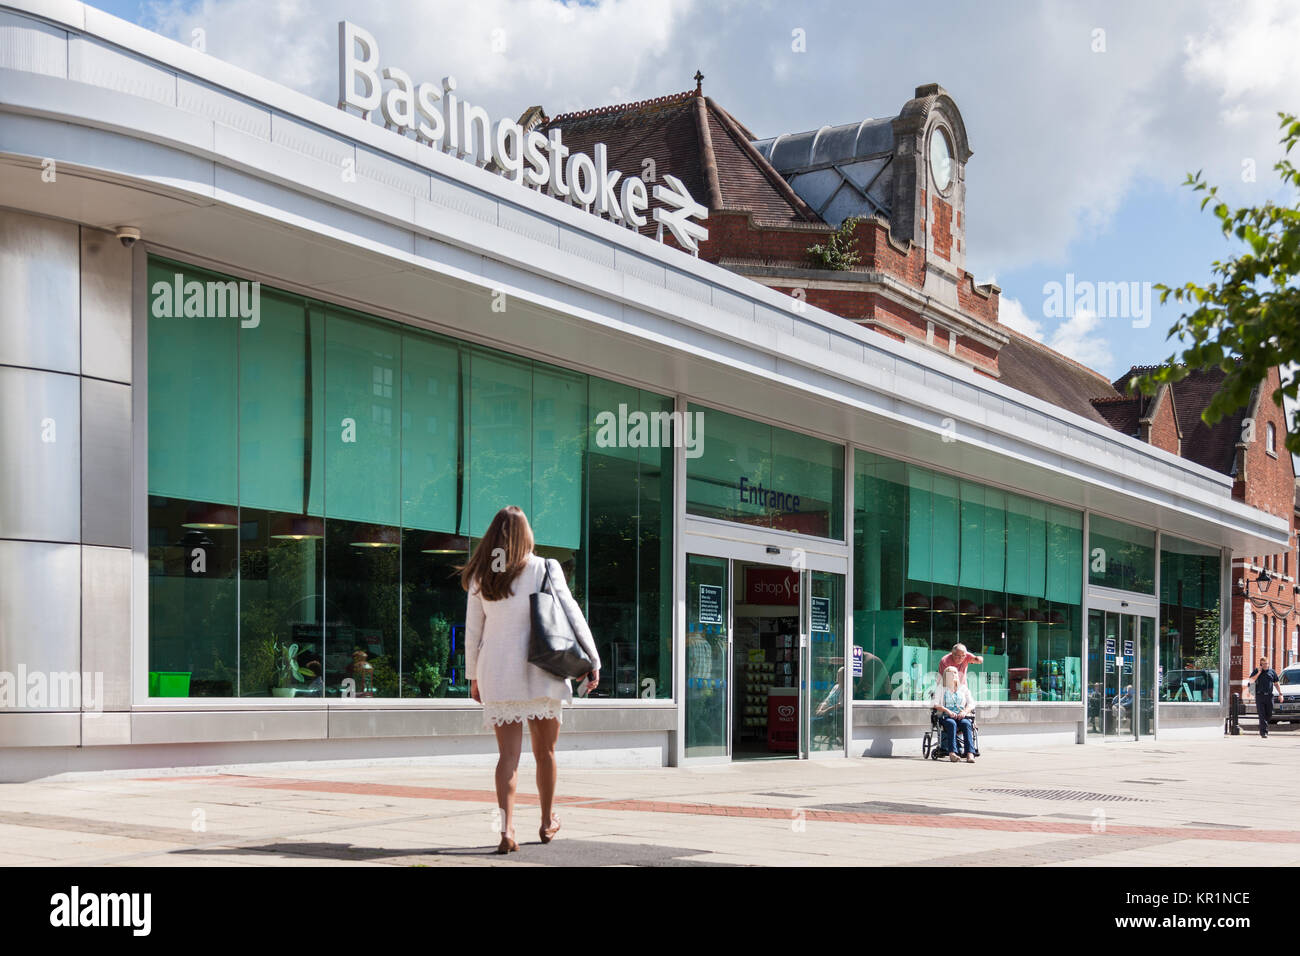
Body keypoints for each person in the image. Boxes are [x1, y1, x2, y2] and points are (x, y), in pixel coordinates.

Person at [462, 505, 601, 853]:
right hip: (543, 668)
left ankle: (506, 830)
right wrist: (592, 660)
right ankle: (546, 820)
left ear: (493, 535)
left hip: (496, 671)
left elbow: (472, 633)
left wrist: (472, 678)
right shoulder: (545, 567)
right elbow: (572, 613)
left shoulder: (482, 574)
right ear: (526, 535)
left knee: (507, 757)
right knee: (546, 752)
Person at [932, 665, 975, 762]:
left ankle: (970, 753)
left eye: (955, 672)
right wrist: (947, 711)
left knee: (966, 723)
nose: (953, 675)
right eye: (950, 673)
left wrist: (964, 711)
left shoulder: (963, 689)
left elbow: (971, 704)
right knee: (952, 723)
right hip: (945, 716)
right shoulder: (941, 688)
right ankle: (952, 753)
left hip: (960, 716)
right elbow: (935, 703)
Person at [1248, 656, 1281, 738]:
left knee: (1269, 714)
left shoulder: (1272, 672)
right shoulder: (1256, 671)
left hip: (1269, 696)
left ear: (1268, 663)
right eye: (1263, 664)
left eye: (1266, 663)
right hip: (1259, 696)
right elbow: (1251, 680)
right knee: (1261, 715)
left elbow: (1276, 683)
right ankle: (1264, 733)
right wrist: (1259, 673)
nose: (1265, 665)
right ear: (1261, 664)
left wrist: (1280, 694)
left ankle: (1264, 727)